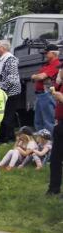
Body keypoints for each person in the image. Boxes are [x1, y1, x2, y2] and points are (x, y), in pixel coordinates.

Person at [0, 39, 22, 144]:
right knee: (7, 115)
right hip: (7, 91)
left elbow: (12, 79)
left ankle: (4, 139)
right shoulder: (4, 59)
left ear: (3, 48)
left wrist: (1, 88)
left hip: (11, 92)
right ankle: (9, 137)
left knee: (7, 116)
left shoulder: (11, 60)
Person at [31, 44, 60, 133]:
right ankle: (42, 142)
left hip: (47, 94)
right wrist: (37, 76)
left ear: (53, 53)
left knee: (48, 121)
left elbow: (41, 77)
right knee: (38, 121)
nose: (45, 55)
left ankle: (50, 143)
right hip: (41, 94)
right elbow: (40, 76)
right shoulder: (47, 65)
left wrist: (34, 76)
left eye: (47, 53)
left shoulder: (56, 64)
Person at [47, 63, 63, 196]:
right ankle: (53, 189)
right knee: (55, 159)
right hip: (59, 124)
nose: (59, 72)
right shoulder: (60, 84)